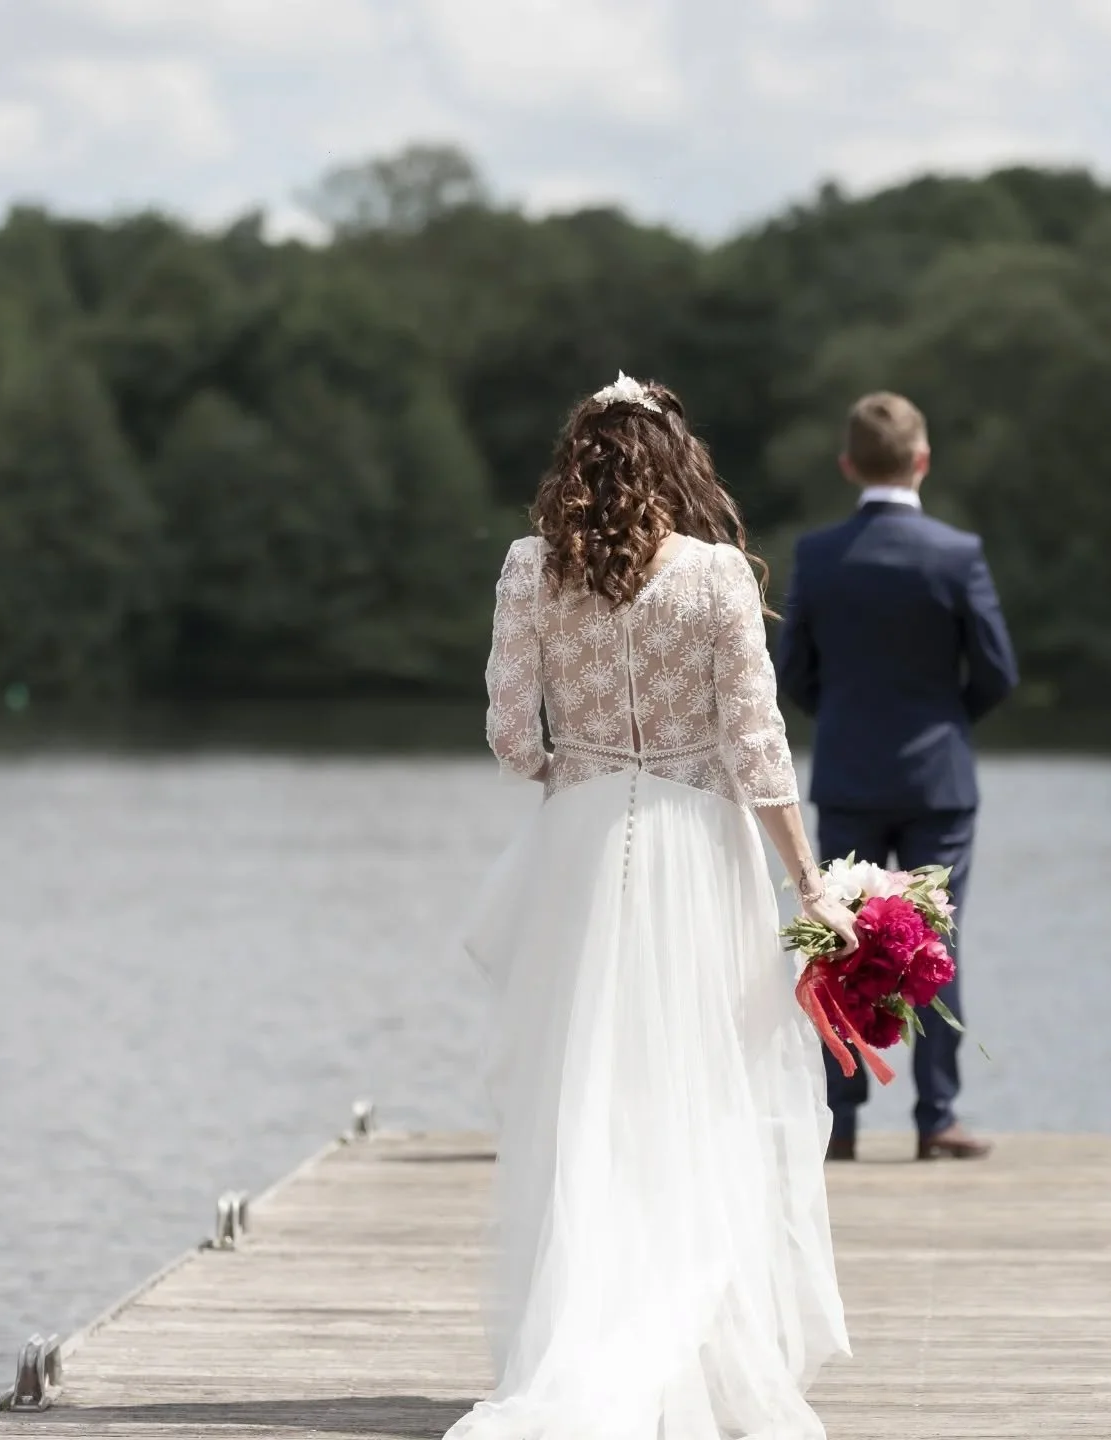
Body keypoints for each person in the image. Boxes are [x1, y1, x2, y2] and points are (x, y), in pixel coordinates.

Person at [449, 373, 856, 1440]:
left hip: (581, 840)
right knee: (694, 1084)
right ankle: (690, 1336)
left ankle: (574, 1331)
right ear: (679, 464)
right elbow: (758, 748)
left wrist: (566, 771)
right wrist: (808, 880)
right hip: (695, 842)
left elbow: (506, 737)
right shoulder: (717, 575)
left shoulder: (530, 568)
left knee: (582, 1090)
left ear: (574, 464)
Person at [777, 392, 1018, 1163]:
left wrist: (842, 719)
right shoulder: (957, 554)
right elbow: (997, 671)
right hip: (938, 779)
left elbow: (793, 675)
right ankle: (936, 1117)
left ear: (849, 464)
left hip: (847, 770)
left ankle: (838, 1121)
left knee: (839, 941)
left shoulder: (818, 554)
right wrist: (945, 723)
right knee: (935, 939)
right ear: (922, 460)